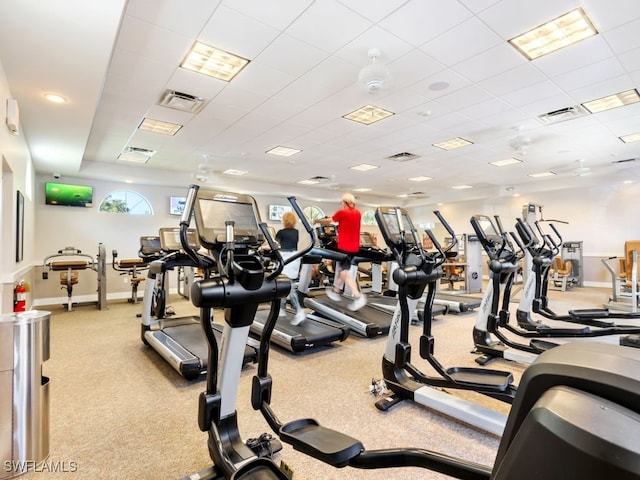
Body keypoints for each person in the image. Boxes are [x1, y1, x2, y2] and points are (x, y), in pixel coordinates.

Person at [314, 193, 367, 311]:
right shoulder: (358, 213)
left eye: (342, 202)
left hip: (345, 247)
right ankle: (336, 291)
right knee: (342, 269)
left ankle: (358, 297)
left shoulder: (342, 212)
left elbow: (330, 222)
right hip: (354, 247)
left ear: (344, 202)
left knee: (344, 272)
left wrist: (317, 220)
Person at [275, 211, 306, 325]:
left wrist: (262, 248)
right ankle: (281, 309)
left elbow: (275, 245)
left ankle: (299, 312)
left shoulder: (281, 233)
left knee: (289, 287)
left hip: (285, 258)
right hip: (294, 258)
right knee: (286, 285)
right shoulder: (296, 232)